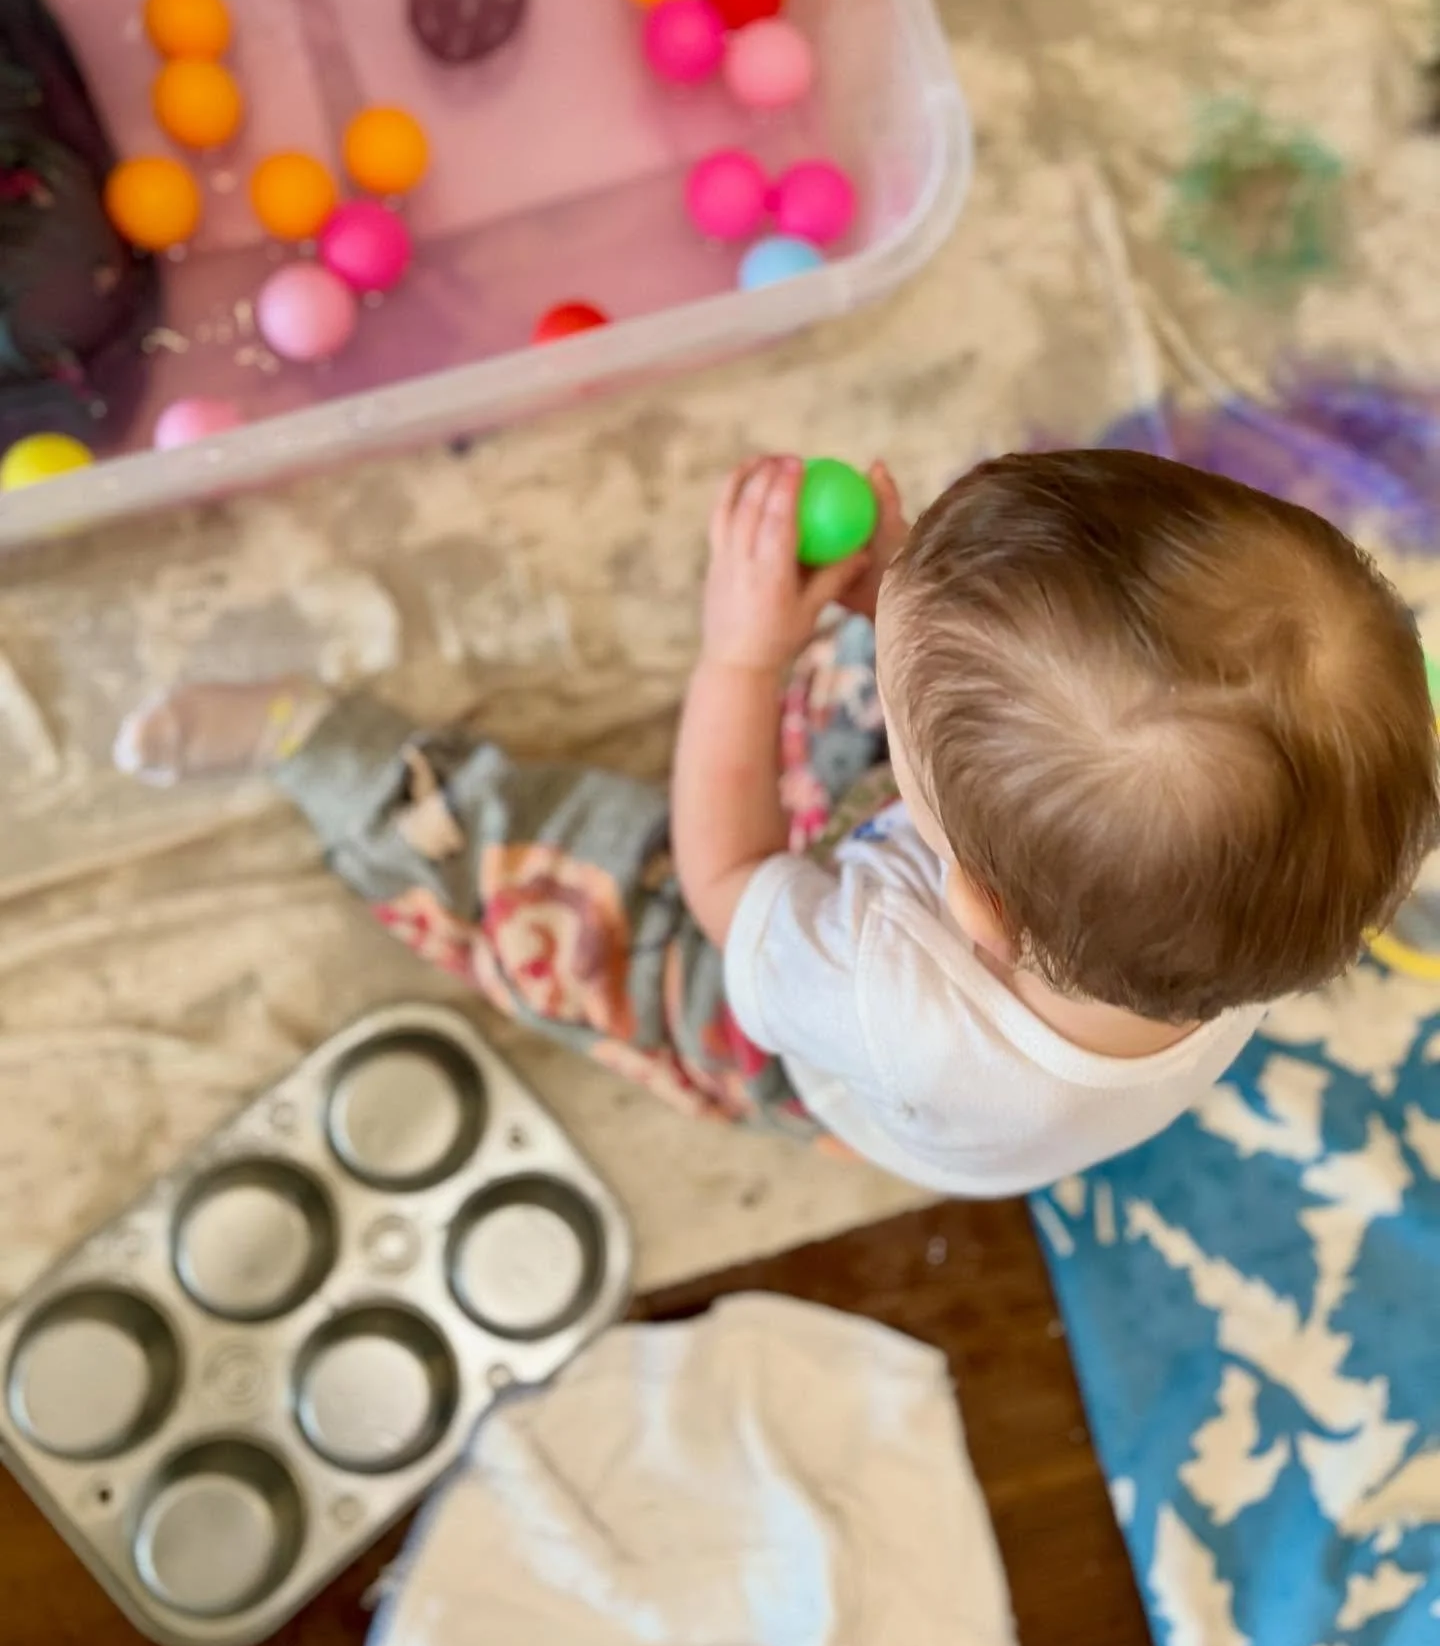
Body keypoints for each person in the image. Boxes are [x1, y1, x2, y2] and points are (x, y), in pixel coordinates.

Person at [114, 449, 1440, 1194]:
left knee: (558, 904)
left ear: (958, 887)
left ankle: (331, 756)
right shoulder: (1298, 854)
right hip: (1051, 926)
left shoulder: (880, 989)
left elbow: (723, 873)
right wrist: (919, 608)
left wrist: (740, 661)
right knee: (1055, 694)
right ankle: (942, 674)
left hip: (805, 1042)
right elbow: (1135, 732)